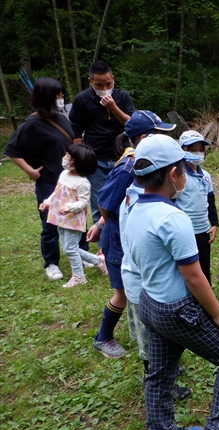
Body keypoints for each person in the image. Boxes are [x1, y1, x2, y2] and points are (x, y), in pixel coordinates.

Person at [125, 134, 219, 430]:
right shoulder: (173, 218)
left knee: (159, 371)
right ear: (173, 174)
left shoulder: (132, 209)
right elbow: (194, 276)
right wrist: (217, 313)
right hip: (176, 308)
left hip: (149, 303)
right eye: (183, 167)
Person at [88, 110, 176, 359]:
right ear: (146, 138)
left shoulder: (144, 162)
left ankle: (137, 333)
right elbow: (106, 202)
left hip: (131, 231)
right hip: (120, 236)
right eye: (161, 135)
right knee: (124, 292)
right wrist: (104, 222)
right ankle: (103, 337)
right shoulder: (130, 166)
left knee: (132, 289)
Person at [119, 181, 193, 401]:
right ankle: (155, 379)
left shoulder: (134, 198)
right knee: (152, 343)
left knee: (158, 340)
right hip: (144, 286)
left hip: (141, 282)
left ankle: (164, 371)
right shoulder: (145, 206)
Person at [4, 78, 74, 281]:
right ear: (46, 98)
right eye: (57, 96)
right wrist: (30, 171)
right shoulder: (31, 124)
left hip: (69, 180)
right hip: (48, 182)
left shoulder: (61, 117)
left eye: (62, 95)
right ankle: (51, 263)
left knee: (75, 219)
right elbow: (12, 151)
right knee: (50, 223)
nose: (61, 99)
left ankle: (80, 254)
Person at [70, 61, 136, 224]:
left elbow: (132, 124)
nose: (105, 88)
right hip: (95, 159)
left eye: (109, 83)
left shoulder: (122, 96)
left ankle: (124, 236)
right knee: (100, 202)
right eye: (99, 85)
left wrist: (113, 107)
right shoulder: (82, 100)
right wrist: (80, 157)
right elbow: (76, 129)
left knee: (125, 197)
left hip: (122, 158)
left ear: (113, 79)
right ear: (90, 81)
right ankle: (103, 245)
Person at [39, 144, 108, 287]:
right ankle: (98, 261)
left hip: (73, 220)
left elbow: (83, 202)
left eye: (69, 157)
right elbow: (57, 192)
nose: (65, 158)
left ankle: (79, 276)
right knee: (68, 248)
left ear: (79, 163)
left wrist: (70, 207)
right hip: (61, 218)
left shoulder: (82, 183)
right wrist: (47, 202)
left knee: (70, 248)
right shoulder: (64, 174)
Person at [176, 130, 219, 284]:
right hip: (184, 230)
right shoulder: (178, 175)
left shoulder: (206, 176)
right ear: (183, 150)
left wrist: (214, 224)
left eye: (201, 149)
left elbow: (210, 201)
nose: (198, 153)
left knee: (203, 266)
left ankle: (204, 299)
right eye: (193, 149)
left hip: (203, 230)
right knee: (185, 266)